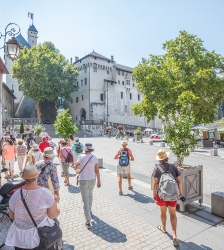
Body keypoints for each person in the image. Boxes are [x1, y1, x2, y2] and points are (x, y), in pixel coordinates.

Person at [5, 165, 61, 249]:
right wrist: (56, 202)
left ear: (24, 178)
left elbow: (12, 216)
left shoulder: (15, 194)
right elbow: (53, 215)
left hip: (19, 239)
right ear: (37, 176)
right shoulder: (45, 193)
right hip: (38, 238)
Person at [152, 149, 183, 246]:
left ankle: (164, 228)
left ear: (159, 159)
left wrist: (154, 194)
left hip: (161, 195)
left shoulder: (157, 168)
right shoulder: (173, 167)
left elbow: (155, 183)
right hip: (173, 194)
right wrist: (180, 193)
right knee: (173, 214)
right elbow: (179, 181)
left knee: (162, 211)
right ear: (167, 157)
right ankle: (174, 235)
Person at [76, 142, 101, 229]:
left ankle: (88, 220)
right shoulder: (94, 158)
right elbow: (97, 171)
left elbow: (76, 166)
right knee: (90, 195)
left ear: (85, 149)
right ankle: (89, 210)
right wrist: (99, 181)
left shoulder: (80, 157)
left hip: (83, 180)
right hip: (92, 180)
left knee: (85, 200)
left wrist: (77, 170)